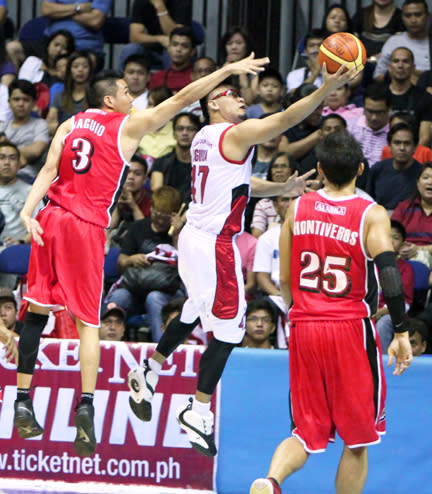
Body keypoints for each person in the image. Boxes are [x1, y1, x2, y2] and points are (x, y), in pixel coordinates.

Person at [12, 53, 271, 455]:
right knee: (87, 324)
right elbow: (183, 97)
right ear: (109, 100)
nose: (132, 96)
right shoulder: (128, 125)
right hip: (85, 226)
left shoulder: (68, 123)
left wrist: (28, 211)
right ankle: (87, 405)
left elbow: (47, 171)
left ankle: (22, 399)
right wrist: (224, 71)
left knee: (36, 312)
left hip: (49, 216)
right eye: (126, 91)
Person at [127, 62, 358, 457]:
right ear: (215, 104)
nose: (239, 99)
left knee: (195, 310)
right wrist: (325, 89)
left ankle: (148, 371)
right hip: (216, 243)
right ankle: (198, 411)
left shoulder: (205, 138)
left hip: (194, 239)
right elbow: (287, 118)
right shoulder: (236, 133)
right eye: (232, 95)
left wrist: (282, 186)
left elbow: (239, 182)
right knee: (231, 331)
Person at [249, 130, 412, 494]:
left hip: (304, 325)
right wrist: (400, 332)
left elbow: (287, 278)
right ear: (360, 167)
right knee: (357, 440)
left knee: (304, 432)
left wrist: (299, 313)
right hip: (349, 327)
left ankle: (269, 481)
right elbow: (388, 272)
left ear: (319, 169)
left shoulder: (298, 207)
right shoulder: (370, 214)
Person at [104, 185, 184, 343]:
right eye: (156, 214)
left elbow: (187, 269)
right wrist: (131, 260)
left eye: (165, 217)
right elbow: (121, 263)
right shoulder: (138, 228)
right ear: (151, 208)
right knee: (119, 297)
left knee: (154, 299)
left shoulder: (184, 233)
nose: (160, 220)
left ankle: (161, 352)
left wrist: (177, 235)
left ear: (174, 215)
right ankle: (104, 345)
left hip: (168, 292)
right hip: (135, 288)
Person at [373, 220, 414, 352]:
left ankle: (383, 363)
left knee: (384, 323)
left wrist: (379, 312)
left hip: (392, 314)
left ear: (402, 243)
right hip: (368, 310)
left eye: (395, 238)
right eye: (387, 235)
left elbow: (405, 303)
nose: (390, 240)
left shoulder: (405, 269)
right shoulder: (368, 264)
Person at [0, 80, 49, 182]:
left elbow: (36, 150)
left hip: (27, 178)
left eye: (26, 100)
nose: (21, 104)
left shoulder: (40, 125)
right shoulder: (2, 127)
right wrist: (21, 155)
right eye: (16, 99)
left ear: (33, 103)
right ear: (9, 102)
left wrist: (6, 146)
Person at [40, 0, 112, 70]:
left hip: (84, 49)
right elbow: (46, 10)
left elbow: (95, 21)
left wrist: (60, 11)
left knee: (75, 67)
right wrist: (79, 8)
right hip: (54, 44)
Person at [366, 122, 422, 211]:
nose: (402, 148)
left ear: (415, 147)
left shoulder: (422, 174)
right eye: (397, 143)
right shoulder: (377, 169)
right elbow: (367, 201)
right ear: (389, 145)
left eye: (407, 143)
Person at [374, 0, 431, 82]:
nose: (413, 20)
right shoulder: (394, 42)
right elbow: (378, 76)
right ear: (402, 18)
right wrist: (403, 76)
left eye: (418, 15)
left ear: (427, 16)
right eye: (408, 16)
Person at [150, 111, 200, 204]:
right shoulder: (161, 162)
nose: (185, 133)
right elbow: (157, 194)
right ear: (174, 134)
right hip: (167, 210)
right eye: (180, 129)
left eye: (190, 129)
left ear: (198, 134)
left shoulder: (204, 164)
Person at [387, 47, 432, 146]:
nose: (400, 65)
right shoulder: (379, 94)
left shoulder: (424, 97)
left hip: (413, 153)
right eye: (396, 61)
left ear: (413, 68)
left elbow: (425, 137)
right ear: (389, 67)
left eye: (405, 61)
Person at [392, 162, 432, 268]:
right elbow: (391, 234)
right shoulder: (404, 207)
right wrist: (401, 248)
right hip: (403, 256)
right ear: (418, 183)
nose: (430, 182)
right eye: (426, 177)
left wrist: (419, 249)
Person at [46, 50, 94, 135]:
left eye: (85, 66)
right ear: (69, 70)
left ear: (90, 70)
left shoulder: (95, 97)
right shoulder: (59, 97)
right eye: (75, 66)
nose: (80, 70)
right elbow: (50, 125)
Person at [109, 154, 151, 248]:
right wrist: (117, 208)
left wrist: (133, 206)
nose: (131, 177)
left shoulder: (151, 200)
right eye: (127, 172)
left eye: (137, 173)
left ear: (145, 179)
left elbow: (146, 234)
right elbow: (109, 228)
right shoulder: (111, 195)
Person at [251, 152, 296, 238]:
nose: (279, 170)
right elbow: (256, 237)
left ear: (291, 170)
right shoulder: (263, 204)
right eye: (275, 166)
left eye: (283, 166)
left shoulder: (300, 200)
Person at [347, 82, 391, 167]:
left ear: (389, 109)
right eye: (370, 111)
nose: (374, 117)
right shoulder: (349, 128)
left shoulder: (396, 133)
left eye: (379, 112)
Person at [148, 26, 195, 93]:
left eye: (184, 46)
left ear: (192, 51)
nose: (178, 49)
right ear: (168, 48)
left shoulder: (197, 77)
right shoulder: (157, 78)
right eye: (175, 45)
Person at [286, 29, 325, 94]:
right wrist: (315, 72)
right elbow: (295, 97)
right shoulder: (295, 75)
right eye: (311, 46)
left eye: (320, 45)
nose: (316, 49)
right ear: (305, 51)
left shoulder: (335, 73)